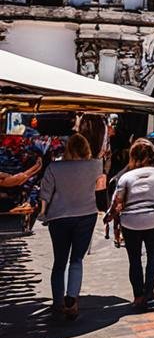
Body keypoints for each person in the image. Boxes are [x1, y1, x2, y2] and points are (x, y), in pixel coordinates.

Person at [37, 132, 102, 321]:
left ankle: (58, 302)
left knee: (59, 262)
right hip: (86, 215)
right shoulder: (95, 165)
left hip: (59, 217)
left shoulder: (55, 167)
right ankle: (71, 299)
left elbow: (45, 194)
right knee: (77, 259)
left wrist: (43, 214)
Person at [112, 139, 154, 313]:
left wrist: (113, 222)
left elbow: (118, 202)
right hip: (153, 219)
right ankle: (149, 292)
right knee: (153, 257)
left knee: (135, 259)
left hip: (130, 221)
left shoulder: (125, 176)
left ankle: (138, 296)